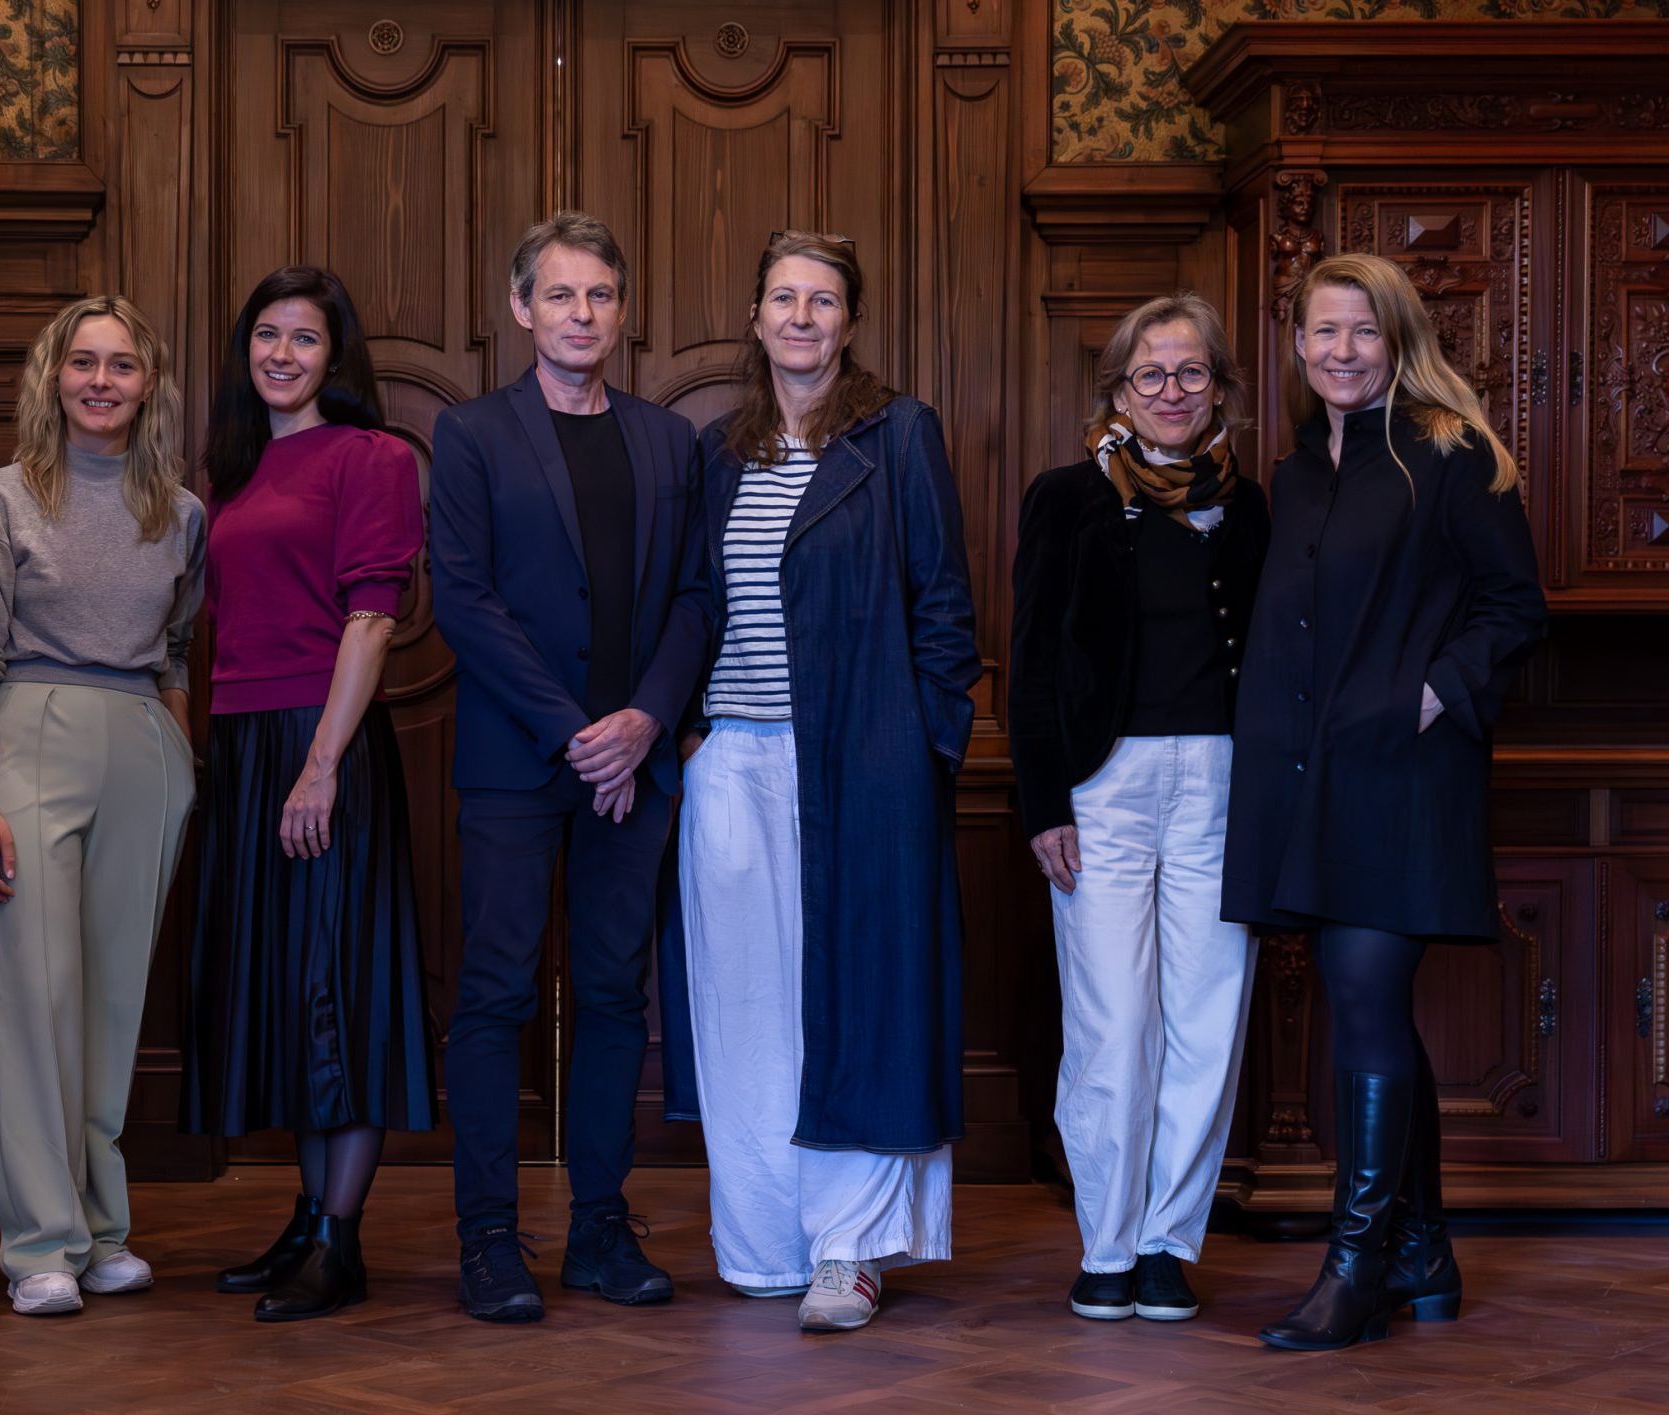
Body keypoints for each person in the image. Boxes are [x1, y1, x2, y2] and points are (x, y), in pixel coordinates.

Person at [1227, 253, 1548, 1352]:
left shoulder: (1450, 457)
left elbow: (1515, 606)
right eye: (1324, 332)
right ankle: (1423, 1251)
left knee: (1364, 992)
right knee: (1363, 1005)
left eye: (1363, 331)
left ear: (1399, 339)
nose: (1342, 352)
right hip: (1307, 778)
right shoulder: (1294, 473)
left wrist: (1432, 696)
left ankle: (1356, 1260)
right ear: (1300, 345)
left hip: (1404, 776)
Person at [669, 230, 980, 1334]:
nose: (802, 317)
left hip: (863, 756)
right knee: (749, 1007)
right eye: (784, 297)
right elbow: (687, 606)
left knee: (856, 1000)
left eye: (825, 299)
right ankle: (762, 1244)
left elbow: (944, 607)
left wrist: (924, 749)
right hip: (734, 760)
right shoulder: (716, 451)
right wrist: (691, 739)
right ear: (754, 318)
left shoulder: (897, 436)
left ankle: (848, 1251)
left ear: (850, 321)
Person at [430, 211, 712, 1324]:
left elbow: (695, 599)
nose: (581, 314)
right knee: (495, 996)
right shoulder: (471, 433)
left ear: (622, 311)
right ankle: (490, 1238)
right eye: (560, 295)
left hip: (633, 769)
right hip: (517, 760)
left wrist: (642, 720)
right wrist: (576, 729)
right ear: (520, 309)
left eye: (599, 295)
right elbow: (463, 598)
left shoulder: (667, 440)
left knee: (610, 996)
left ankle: (600, 1225)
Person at [182, 266, 437, 1321]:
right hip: (243, 745)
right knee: (289, 988)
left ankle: (342, 1235)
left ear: (338, 356)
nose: (283, 353)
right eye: (268, 335)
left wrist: (322, 764)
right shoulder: (235, 469)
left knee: (341, 984)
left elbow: (371, 619)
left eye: (306, 337)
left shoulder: (371, 457)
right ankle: (307, 1212)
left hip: (318, 742)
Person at [1008, 293, 1268, 1326]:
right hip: (1100, 790)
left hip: (1224, 785)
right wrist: (1042, 802)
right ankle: (1106, 1242)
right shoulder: (1066, 496)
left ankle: (1168, 1241)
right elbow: (1030, 662)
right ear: (1116, 389)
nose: (1171, 392)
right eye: (1150, 374)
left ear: (1221, 391)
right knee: (1112, 1022)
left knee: (1206, 1018)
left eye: (1192, 373)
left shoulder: (1253, 505)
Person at [0, 296, 203, 1317]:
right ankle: (39, 1242)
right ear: (52, 377)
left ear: (150, 384)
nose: (102, 381)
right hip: (29, 735)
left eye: (123, 365)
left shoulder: (179, 511)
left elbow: (178, 645)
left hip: (142, 740)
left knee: (111, 1003)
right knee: (33, 995)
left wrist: (178, 747)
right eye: (83, 362)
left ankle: (102, 1234)